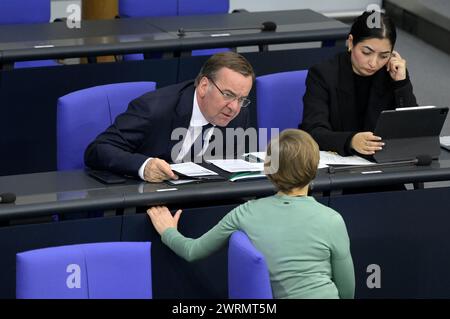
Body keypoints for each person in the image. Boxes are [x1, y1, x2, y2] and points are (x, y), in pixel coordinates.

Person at [147, 129, 355, 299]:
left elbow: (192, 251)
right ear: (314, 168)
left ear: (268, 170)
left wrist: (168, 231)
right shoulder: (332, 219)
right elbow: (347, 292)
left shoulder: (245, 213)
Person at [84, 52, 255, 182]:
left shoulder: (239, 115)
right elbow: (98, 149)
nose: (234, 107)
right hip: (149, 204)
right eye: (227, 94)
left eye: (241, 99)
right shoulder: (154, 109)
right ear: (204, 86)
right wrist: (144, 166)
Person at [300, 11, 418, 157]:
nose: (373, 63)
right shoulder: (323, 74)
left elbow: (414, 130)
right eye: (366, 52)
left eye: (384, 56)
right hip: (338, 162)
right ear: (351, 42)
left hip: (383, 163)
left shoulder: (392, 72)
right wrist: (351, 141)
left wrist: (401, 84)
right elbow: (313, 131)